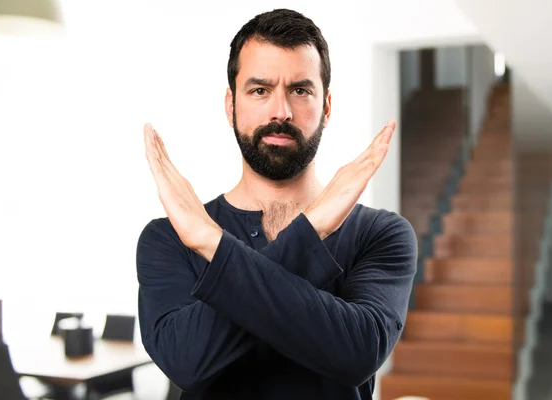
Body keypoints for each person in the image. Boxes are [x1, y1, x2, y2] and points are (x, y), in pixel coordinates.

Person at [136, 8, 417, 400]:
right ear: (231, 104)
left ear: (327, 106)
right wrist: (312, 231)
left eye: (300, 90)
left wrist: (213, 246)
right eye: (260, 90)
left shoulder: (380, 234)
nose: (280, 111)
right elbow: (187, 362)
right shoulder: (170, 236)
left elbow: (357, 355)